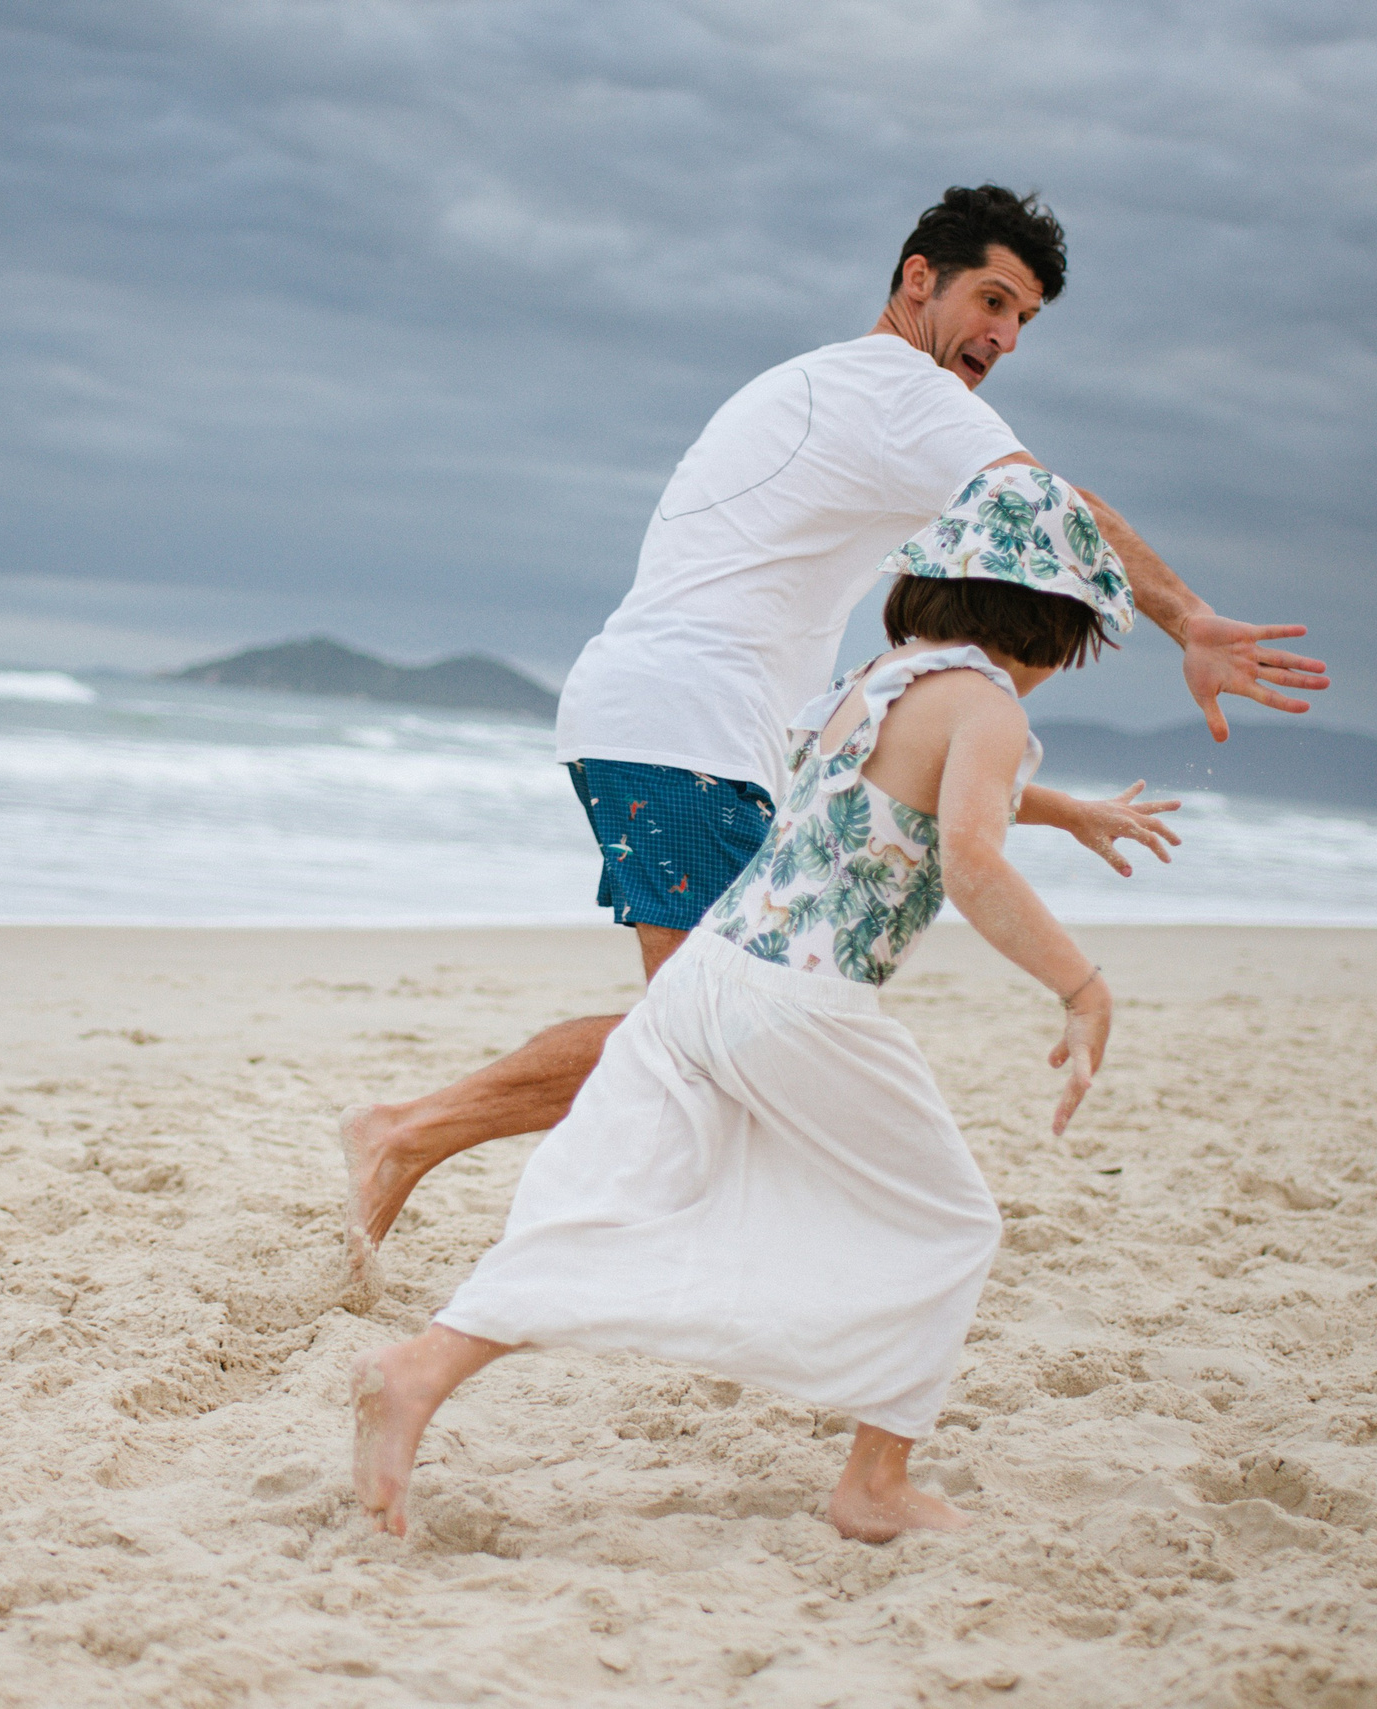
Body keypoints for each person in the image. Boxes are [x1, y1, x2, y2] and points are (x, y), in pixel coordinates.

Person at [341, 185, 1325, 1271]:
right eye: (990, 299)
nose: (1001, 335)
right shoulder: (902, 391)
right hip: (684, 722)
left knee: (717, 1030)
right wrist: (1185, 615)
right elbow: (1059, 512)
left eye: (1023, 320)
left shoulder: (841, 389)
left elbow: (885, 741)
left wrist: (1053, 805)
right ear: (918, 280)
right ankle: (406, 1133)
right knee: (712, 1033)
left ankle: (429, 1143)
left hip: (693, 719)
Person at [352, 465, 1128, 1541]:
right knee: (952, 1221)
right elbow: (968, 852)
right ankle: (873, 1482)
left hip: (709, 980)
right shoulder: (987, 702)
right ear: (1047, 616)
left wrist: (1065, 807)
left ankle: (418, 1369)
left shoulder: (884, 678)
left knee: (612, 1195)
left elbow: (916, 782)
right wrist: (1080, 988)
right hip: (802, 1003)